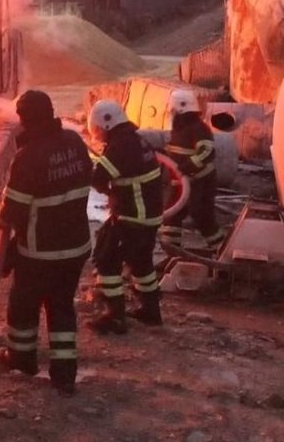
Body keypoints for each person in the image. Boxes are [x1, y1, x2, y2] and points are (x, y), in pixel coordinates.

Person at [0, 89, 92, 396]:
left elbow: (11, 211)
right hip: (75, 246)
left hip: (40, 250)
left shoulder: (28, 156)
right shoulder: (74, 143)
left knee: (24, 304)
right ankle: (64, 375)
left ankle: (21, 359)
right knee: (61, 306)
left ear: (25, 119)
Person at [88, 99, 163, 334]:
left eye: (97, 129)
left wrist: (109, 192)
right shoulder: (136, 140)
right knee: (141, 262)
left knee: (106, 257)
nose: (97, 134)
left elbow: (98, 177)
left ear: (106, 124)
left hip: (132, 216)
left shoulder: (120, 145)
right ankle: (151, 311)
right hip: (148, 215)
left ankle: (115, 316)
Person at [161, 88, 225, 248]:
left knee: (202, 216)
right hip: (181, 182)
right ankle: (171, 251)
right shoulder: (180, 128)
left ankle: (220, 249)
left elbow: (207, 153)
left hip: (201, 182)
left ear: (179, 108)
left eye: (173, 110)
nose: (171, 113)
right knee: (172, 216)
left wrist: (186, 167)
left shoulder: (199, 128)